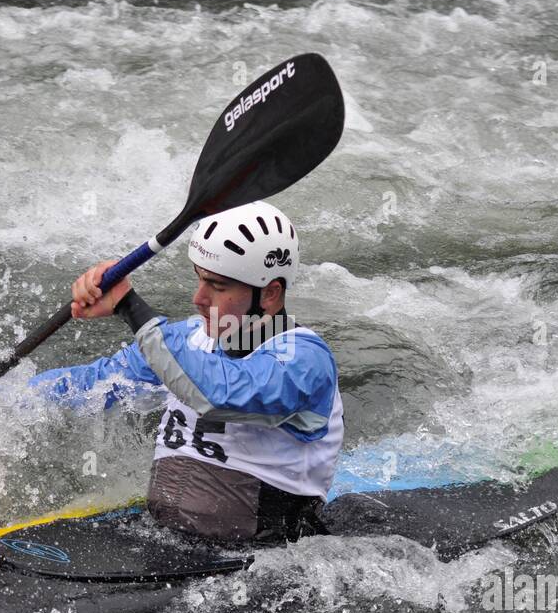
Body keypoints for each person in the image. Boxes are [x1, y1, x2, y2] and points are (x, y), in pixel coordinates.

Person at [19, 200, 343, 546]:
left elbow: (220, 395)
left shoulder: (305, 360)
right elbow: (93, 383)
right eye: (199, 279)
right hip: (166, 537)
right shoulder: (189, 339)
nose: (198, 298)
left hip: (267, 554)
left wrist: (128, 305)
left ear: (270, 294)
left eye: (217, 286)